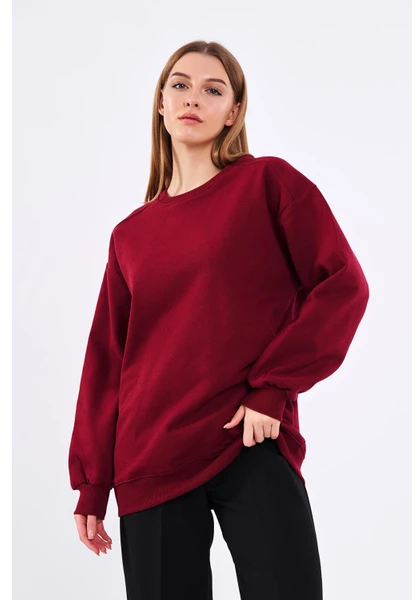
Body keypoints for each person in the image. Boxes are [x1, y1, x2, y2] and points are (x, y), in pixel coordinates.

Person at [68, 40, 370, 600]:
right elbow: (107, 361)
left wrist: (273, 387)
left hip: (250, 435)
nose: (193, 98)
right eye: (180, 85)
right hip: (150, 455)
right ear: (161, 103)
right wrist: (92, 483)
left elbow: (342, 285)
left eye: (213, 89)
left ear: (233, 111)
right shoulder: (130, 235)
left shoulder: (268, 184)